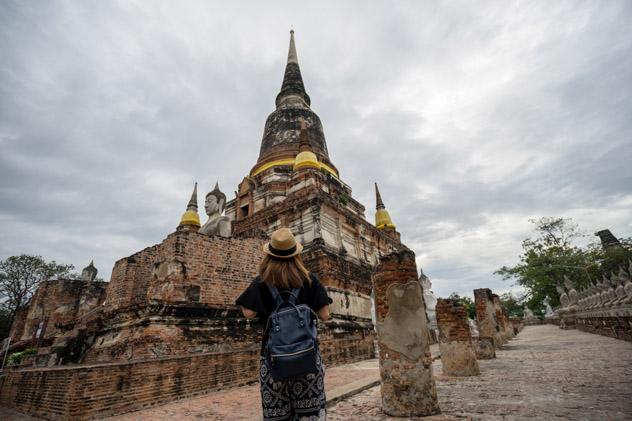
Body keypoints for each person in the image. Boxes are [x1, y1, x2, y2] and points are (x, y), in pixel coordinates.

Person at [236, 227, 331, 421]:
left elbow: (248, 313)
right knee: (310, 415)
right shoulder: (309, 279)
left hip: (273, 362)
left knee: (277, 416)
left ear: (269, 255)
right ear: (296, 254)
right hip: (307, 359)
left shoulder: (262, 281)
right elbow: (325, 315)